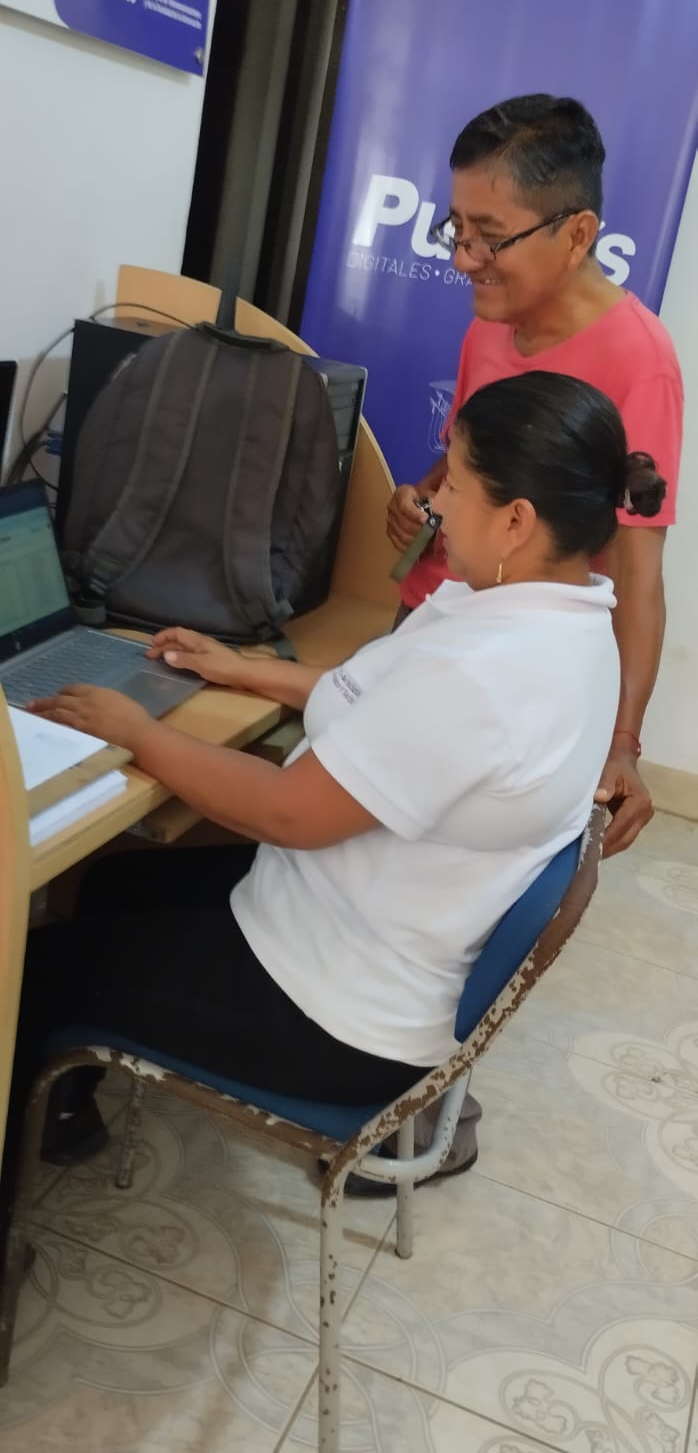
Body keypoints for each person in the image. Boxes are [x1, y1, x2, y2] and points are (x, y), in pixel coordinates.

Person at [4, 374, 665, 1225]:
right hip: (356, 929)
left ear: (516, 520)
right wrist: (242, 669)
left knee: (32, 974)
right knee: (114, 882)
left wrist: (140, 731)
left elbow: (288, 813)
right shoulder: (557, 617)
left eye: (456, 484)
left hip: (339, 1015)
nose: (435, 503)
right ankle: (61, 1116)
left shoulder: (488, 673)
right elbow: (380, 702)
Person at [387, 95, 683, 863]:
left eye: (490, 238)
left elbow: (637, 575)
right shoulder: (489, 322)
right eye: (458, 231)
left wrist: (622, 743)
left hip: (507, 668)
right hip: (426, 616)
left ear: (577, 233)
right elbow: (463, 458)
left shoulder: (639, 363)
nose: (464, 260)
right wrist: (421, 496)